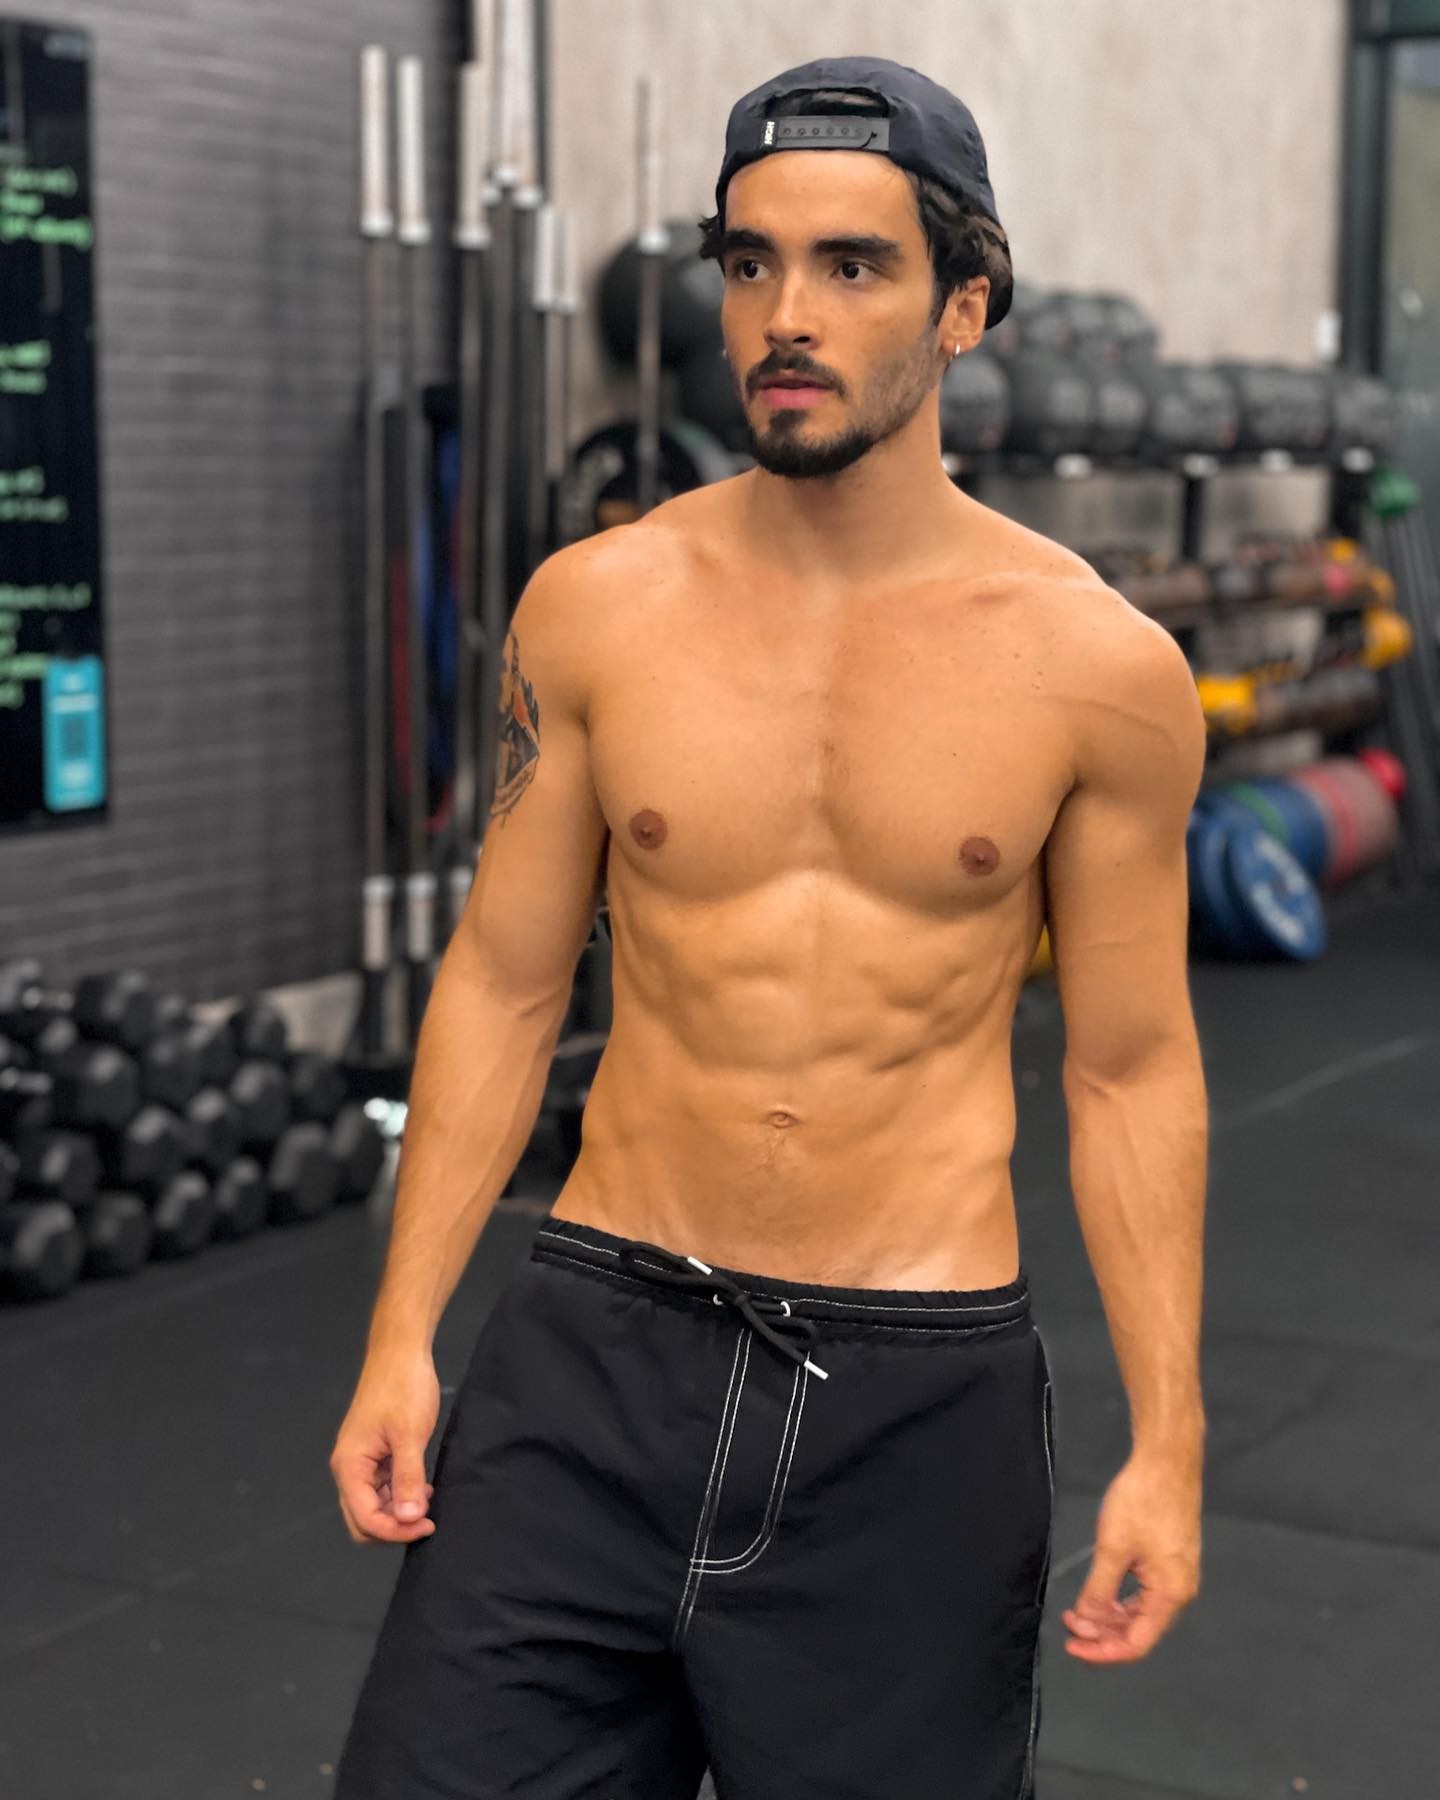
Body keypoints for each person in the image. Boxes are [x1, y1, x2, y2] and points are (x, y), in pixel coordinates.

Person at [332, 55, 1207, 1800]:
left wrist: (1169, 1443)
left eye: (851, 265)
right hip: (594, 1353)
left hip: (909, 1402)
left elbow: (1128, 1068)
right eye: (750, 263)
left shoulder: (1098, 669)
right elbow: (506, 981)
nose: (785, 315)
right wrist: (400, 1331)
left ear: (964, 304)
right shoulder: (597, 607)